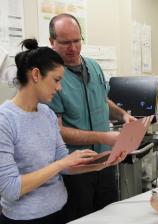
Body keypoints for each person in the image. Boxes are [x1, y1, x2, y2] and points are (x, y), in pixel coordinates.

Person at [0, 39, 123, 224]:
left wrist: (100, 164)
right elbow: (10, 189)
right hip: (26, 218)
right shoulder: (5, 120)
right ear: (35, 75)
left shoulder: (47, 114)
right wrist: (60, 164)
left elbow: (65, 165)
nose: (59, 87)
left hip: (61, 211)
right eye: (56, 80)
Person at [47, 14, 136, 221]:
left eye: (77, 41)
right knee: (83, 218)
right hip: (76, 168)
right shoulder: (52, 78)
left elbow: (103, 100)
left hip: (106, 161)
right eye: (65, 42)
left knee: (110, 215)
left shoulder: (93, 67)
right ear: (52, 42)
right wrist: (102, 137)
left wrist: (123, 115)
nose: (73, 48)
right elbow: (57, 131)